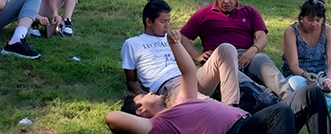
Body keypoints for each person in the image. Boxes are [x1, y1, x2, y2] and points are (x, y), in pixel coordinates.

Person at [107, 29, 299, 134]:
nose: (149, 92)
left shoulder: (183, 101)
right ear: (140, 111)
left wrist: (174, 44)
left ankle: (236, 103)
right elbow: (112, 117)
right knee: (280, 112)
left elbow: (189, 72)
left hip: (244, 122)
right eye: (143, 96)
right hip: (233, 130)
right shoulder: (156, 126)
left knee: (301, 100)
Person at [121, 0, 239, 108]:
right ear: (148, 21)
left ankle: (231, 105)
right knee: (203, 105)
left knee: (226, 48)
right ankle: (228, 115)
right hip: (170, 86)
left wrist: (179, 44)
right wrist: (146, 97)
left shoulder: (172, 37)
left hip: (193, 77)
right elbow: (131, 81)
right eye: (163, 21)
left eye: (168, 21)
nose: (167, 25)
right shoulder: (133, 44)